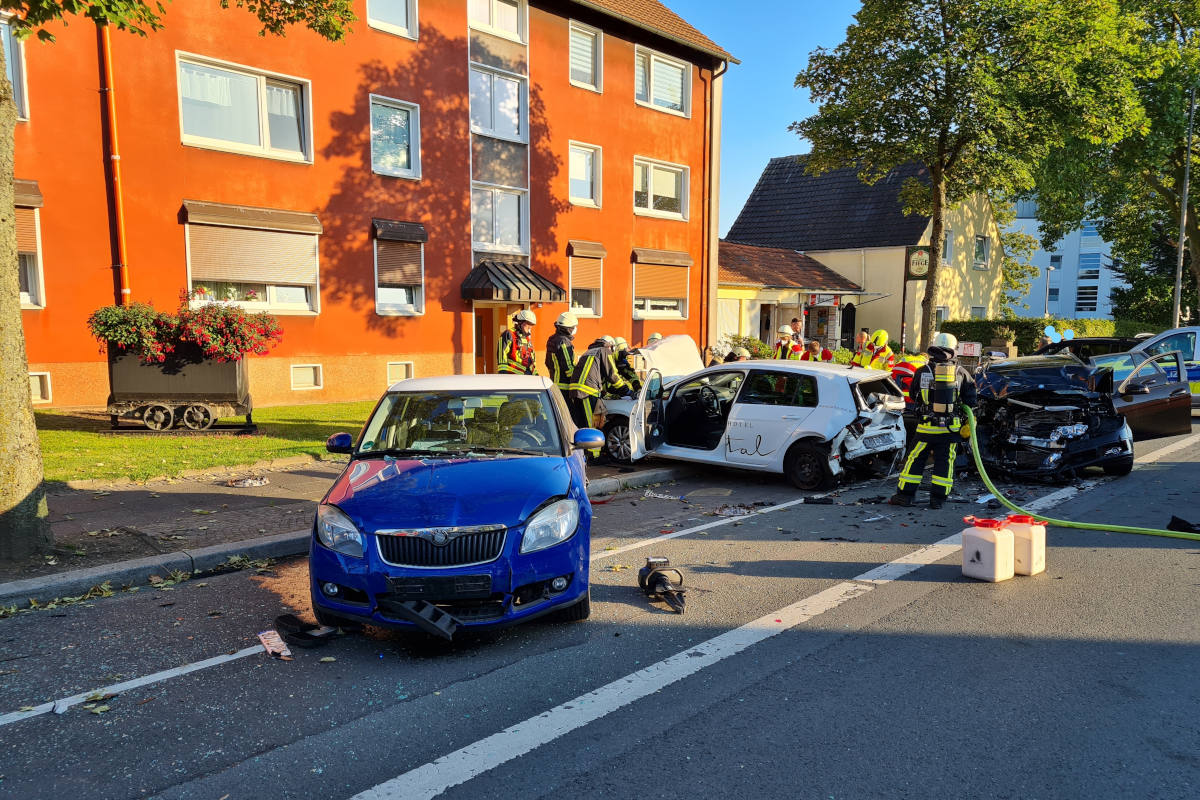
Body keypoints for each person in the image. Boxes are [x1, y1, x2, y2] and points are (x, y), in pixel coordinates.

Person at [889, 333, 977, 509]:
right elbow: (971, 401)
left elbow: (913, 395)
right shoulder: (961, 373)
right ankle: (938, 500)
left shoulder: (922, 371)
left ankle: (905, 496)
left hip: (926, 428)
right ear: (954, 350)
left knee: (915, 459)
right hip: (950, 430)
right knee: (945, 462)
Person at [569, 337, 629, 431]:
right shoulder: (605, 350)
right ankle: (592, 445)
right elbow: (612, 374)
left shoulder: (590, 351)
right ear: (611, 346)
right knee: (592, 424)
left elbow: (601, 378)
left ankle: (581, 444)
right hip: (588, 392)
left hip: (575, 390)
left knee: (580, 424)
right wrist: (626, 390)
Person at [545, 312, 578, 393]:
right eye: (574, 327)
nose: (575, 328)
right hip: (564, 386)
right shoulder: (564, 341)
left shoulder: (552, 339)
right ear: (568, 328)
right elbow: (568, 367)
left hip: (554, 383)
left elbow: (547, 362)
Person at [498, 309, 537, 375]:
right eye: (528, 323)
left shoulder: (527, 339)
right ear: (520, 322)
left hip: (528, 377)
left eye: (532, 324)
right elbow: (502, 356)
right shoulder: (509, 334)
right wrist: (503, 374)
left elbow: (532, 361)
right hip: (514, 378)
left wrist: (536, 375)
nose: (530, 327)